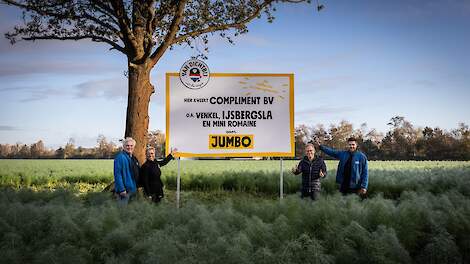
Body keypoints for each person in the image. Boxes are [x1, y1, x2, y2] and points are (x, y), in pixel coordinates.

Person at [113, 137, 140, 205]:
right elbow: (117, 175)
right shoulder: (120, 157)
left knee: (130, 212)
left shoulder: (133, 158)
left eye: (131, 146)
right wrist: (122, 189)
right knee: (123, 212)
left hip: (133, 189)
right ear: (124, 146)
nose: (129, 147)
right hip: (124, 191)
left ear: (134, 147)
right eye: (127, 145)